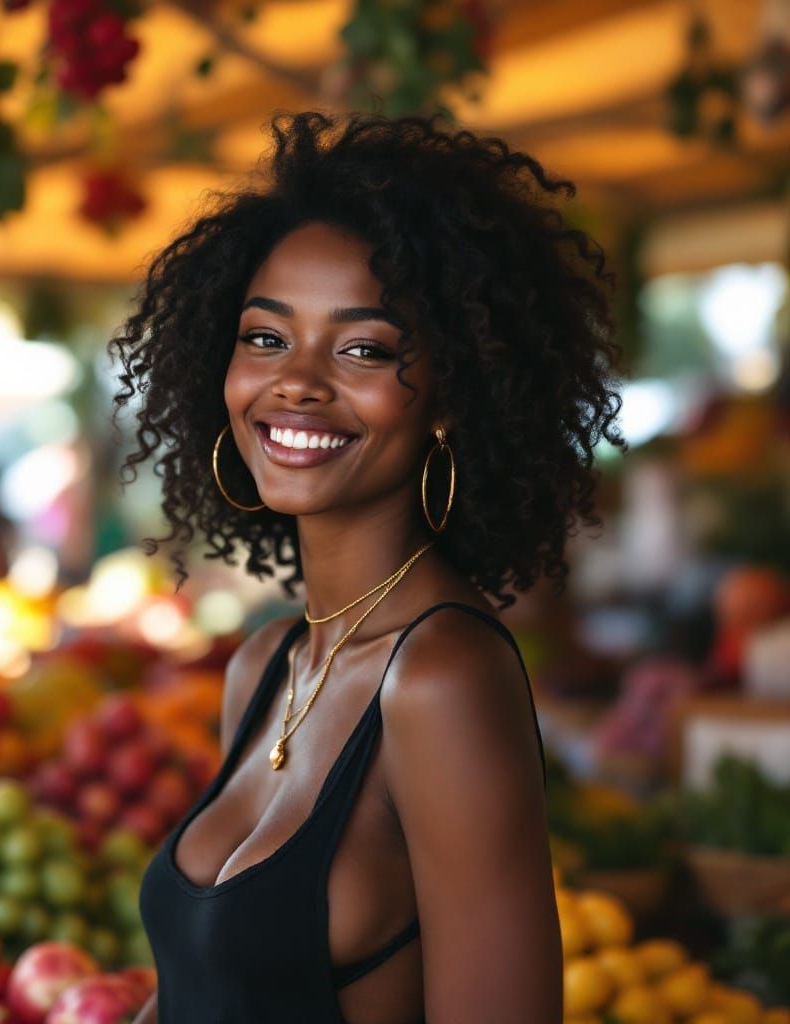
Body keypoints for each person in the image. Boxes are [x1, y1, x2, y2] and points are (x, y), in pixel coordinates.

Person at [110, 110, 627, 1024]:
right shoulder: (263, 667)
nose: (298, 381)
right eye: (266, 337)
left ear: (448, 396)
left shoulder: (442, 680)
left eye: (363, 349)